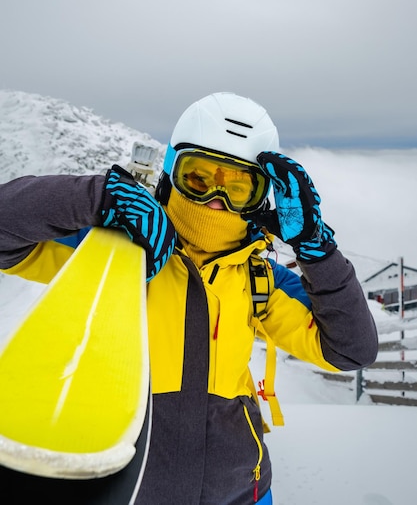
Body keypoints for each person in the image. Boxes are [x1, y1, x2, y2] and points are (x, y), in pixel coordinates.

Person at [0, 92, 378, 504]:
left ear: (261, 198)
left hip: (241, 493)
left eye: (239, 187)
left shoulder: (261, 280)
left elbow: (351, 350)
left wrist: (316, 249)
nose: (217, 200)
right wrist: (98, 199)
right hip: (128, 492)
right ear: (170, 171)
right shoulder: (111, 251)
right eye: (199, 178)